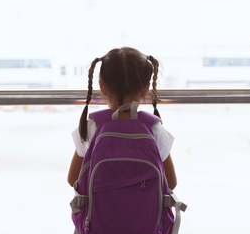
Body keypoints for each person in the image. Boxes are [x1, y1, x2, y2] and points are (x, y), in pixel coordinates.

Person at [67, 47, 177, 189]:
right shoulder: (153, 128)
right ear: (146, 88)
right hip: (144, 211)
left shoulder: (91, 127)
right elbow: (171, 183)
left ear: (102, 87)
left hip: (101, 212)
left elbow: (73, 179)